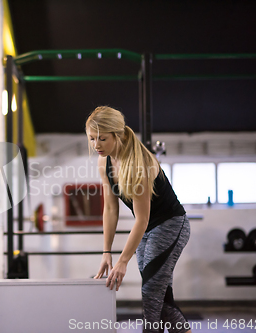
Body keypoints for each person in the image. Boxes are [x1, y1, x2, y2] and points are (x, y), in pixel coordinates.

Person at [87, 106, 191, 333]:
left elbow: (141, 219)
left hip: (171, 225)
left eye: (102, 139)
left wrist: (123, 261)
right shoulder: (104, 163)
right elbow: (110, 210)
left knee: (151, 293)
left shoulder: (139, 163)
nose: (96, 145)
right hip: (149, 229)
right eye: (92, 139)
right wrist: (107, 252)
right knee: (162, 295)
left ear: (119, 135)